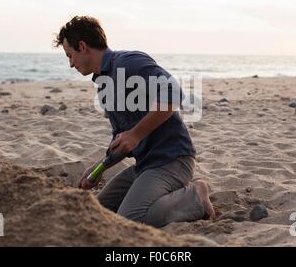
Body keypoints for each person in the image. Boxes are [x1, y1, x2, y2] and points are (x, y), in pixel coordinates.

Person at [54, 15, 215, 228]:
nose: (71, 64)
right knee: (97, 214)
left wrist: (137, 134)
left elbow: (174, 93)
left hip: (172, 160)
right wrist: (97, 170)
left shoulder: (129, 62)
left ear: (82, 46)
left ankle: (195, 196)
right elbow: (123, 140)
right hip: (145, 165)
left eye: (70, 55)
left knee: (130, 220)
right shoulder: (104, 84)